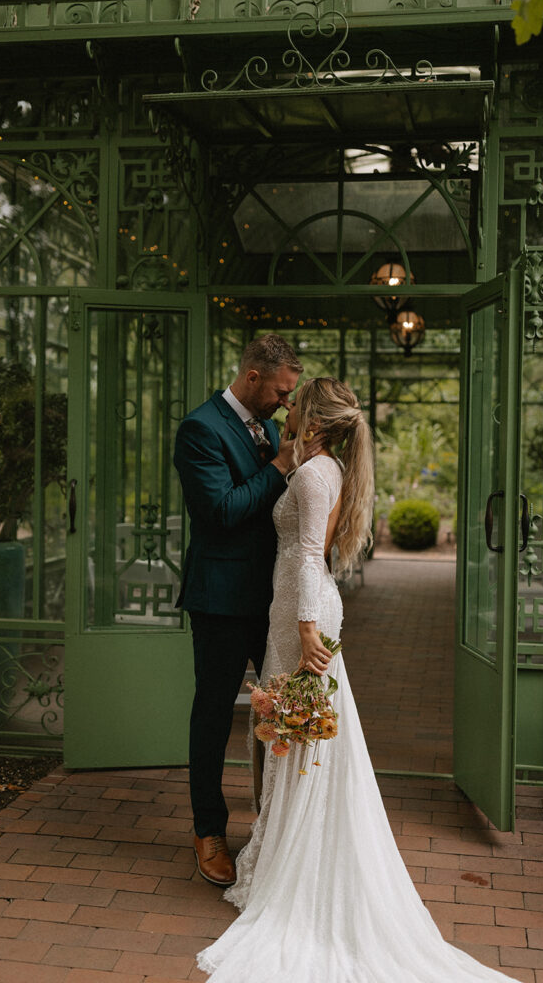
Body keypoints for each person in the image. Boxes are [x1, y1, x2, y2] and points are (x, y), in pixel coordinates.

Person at [196, 377, 521, 983]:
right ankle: (285, 853)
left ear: (314, 420)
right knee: (290, 733)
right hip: (295, 611)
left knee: (296, 735)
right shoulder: (319, 467)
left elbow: (307, 555)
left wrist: (308, 627)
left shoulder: (317, 476)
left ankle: (293, 868)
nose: (287, 409)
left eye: (297, 404)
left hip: (303, 615)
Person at [174, 333, 321, 888]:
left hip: (277, 597)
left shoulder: (273, 426)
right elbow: (220, 512)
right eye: (281, 392)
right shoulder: (200, 429)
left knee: (285, 709)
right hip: (223, 599)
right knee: (214, 715)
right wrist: (281, 464)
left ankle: (277, 829)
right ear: (253, 378)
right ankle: (209, 830)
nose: (287, 402)